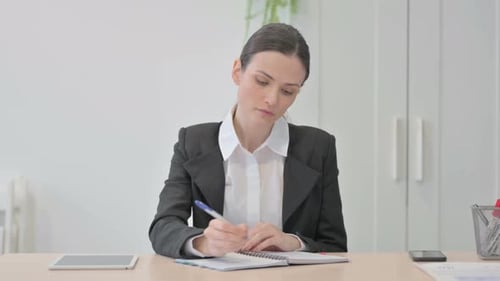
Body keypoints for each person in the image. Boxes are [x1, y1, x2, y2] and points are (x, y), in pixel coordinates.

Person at [149, 23, 347, 259]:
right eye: (262, 82)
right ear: (237, 71)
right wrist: (204, 243)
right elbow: (163, 227)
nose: (272, 100)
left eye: (287, 91)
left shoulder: (318, 148)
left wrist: (291, 242)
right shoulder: (193, 142)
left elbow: (334, 246)